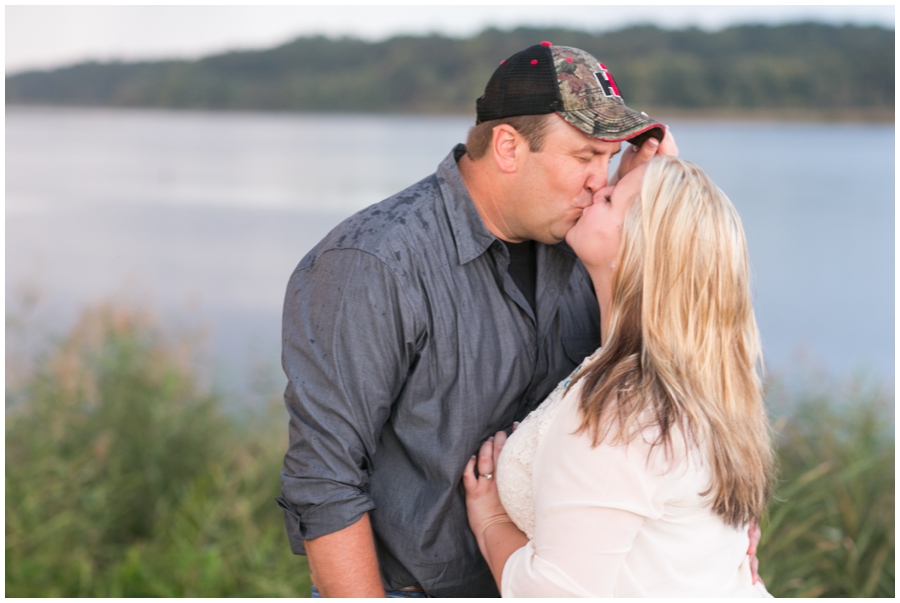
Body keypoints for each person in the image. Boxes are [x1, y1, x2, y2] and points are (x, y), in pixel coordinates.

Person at [276, 42, 677, 597]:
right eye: (584, 157)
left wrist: (655, 196)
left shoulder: (590, 244)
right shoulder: (372, 264)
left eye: (609, 160)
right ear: (508, 147)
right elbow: (323, 483)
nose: (599, 182)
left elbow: (664, 392)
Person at [463, 155, 774, 597]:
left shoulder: (625, 410)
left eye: (611, 198)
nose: (596, 190)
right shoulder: (707, 383)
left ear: (639, 248)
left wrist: (490, 520)